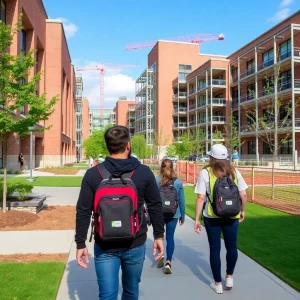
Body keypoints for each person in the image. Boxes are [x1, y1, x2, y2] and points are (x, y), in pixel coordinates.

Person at [75, 125, 165, 300]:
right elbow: (155, 205)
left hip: (104, 245)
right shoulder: (143, 172)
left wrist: (80, 243)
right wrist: (159, 236)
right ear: (128, 145)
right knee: (131, 292)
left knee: (107, 296)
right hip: (135, 242)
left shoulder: (93, 174)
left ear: (107, 146)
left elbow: (83, 211)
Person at [194, 144, 248, 294]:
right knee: (232, 246)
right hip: (232, 215)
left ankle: (218, 284)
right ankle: (229, 277)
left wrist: (197, 219)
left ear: (211, 157)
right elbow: (243, 195)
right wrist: (242, 210)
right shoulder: (235, 172)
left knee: (215, 249)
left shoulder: (206, 172)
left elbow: (200, 197)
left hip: (212, 216)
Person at [155, 158, 185, 274]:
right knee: (170, 237)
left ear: (161, 167)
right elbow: (181, 200)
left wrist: (149, 213)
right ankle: (168, 261)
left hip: (159, 213)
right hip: (174, 213)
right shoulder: (177, 182)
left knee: (159, 236)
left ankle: (160, 255)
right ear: (173, 167)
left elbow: (151, 199)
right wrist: (182, 216)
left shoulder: (156, 180)